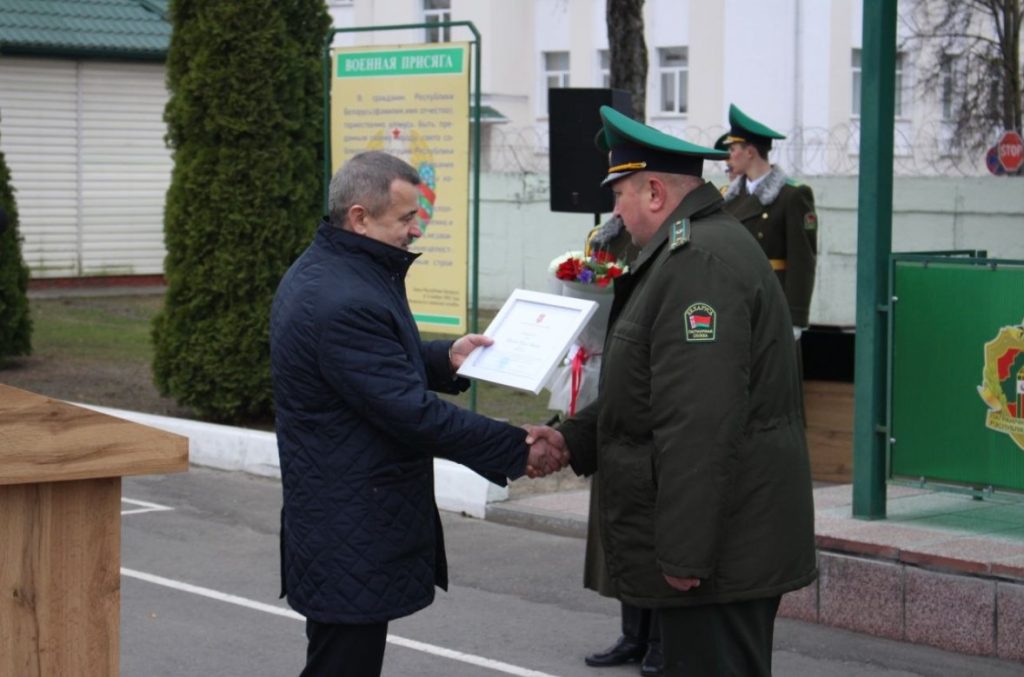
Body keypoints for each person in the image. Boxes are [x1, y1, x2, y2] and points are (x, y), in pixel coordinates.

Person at [527, 106, 818, 676]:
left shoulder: (698, 264)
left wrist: (685, 552)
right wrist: (572, 440)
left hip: (721, 554)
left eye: (620, 196)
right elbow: (651, 390)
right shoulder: (686, 251)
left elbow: (699, 422)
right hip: (728, 542)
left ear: (655, 192)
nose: (616, 212)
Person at [270, 150, 565, 677]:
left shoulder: (340, 273)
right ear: (360, 216)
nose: (415, 231)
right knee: (342, 666)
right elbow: (409, 411)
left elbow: (369, 371)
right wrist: (517, 448)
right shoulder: (340, 296)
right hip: (348, 522)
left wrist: (444, 355)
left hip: (346, 518)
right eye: (405, 218)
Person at [719, 104, 817, 337]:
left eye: (733, 149)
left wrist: (796, 317)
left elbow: (802, 260)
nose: (729, 156)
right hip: (735, 299)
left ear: (750, 152)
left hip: (773, 298)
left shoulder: (792, 195)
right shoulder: (730, 198)